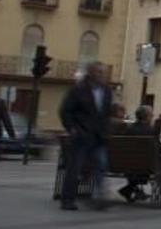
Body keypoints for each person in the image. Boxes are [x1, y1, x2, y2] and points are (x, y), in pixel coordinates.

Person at [59, 62, 113, 211]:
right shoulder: (78, 90)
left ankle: (101, 197)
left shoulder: (107, 91)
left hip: (99, 136)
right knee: (75, 168)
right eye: (99, 72)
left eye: (104, 72)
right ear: (91, 73)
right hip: (82, 135)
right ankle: (68, 199)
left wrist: (106, 129)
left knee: (101, 166)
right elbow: (65, 111)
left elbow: (106, 113)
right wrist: (72, 128)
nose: (103, 75)